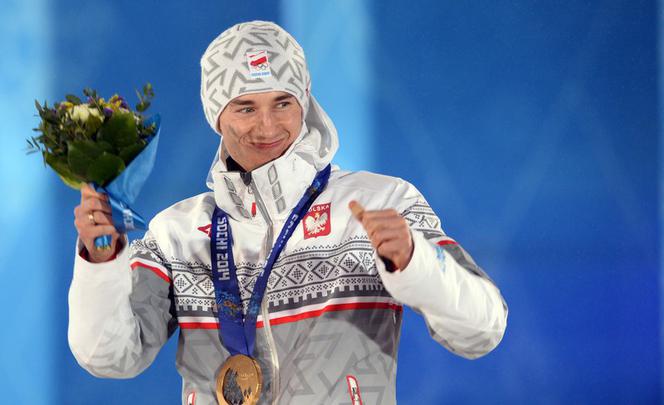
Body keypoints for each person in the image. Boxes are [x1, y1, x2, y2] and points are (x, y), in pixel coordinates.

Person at [69, 20, 508, 405]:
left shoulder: (381, 202)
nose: (267, 126)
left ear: (305, 104)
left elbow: (482, 328)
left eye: (282, 103)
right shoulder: (175, 235)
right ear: (216, 116)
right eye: (245, 107)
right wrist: (102, 264)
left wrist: (416, 264)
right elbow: (111, 357)